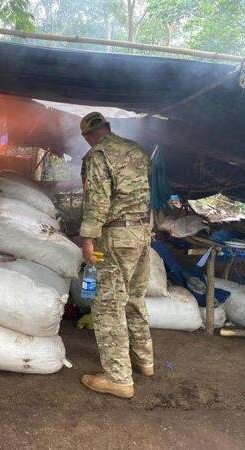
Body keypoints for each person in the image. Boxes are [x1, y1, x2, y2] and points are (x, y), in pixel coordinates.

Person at [78, 111, 154, 399]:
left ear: (87, 136)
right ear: (108, 127)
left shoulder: (97, 156)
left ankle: (118, 378)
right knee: (134, 298)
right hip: (142, 234)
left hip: (116, 238)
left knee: (108, 304)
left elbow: (96, 201)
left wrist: (87, 239)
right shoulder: (136, 149)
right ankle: (144, 361)